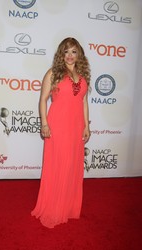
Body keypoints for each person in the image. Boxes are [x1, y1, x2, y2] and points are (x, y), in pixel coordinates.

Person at [31, 37, 91, 228]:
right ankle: (54, 207)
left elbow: (83, 101)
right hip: (58, 125)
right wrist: (45, 124)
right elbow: (43, 100)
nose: (70, 56)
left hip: (76, 127)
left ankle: (68, 206)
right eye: (66, 51)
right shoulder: (53, 73)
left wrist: (86, 126)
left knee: (72, 165)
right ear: (61, 54)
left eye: (74, 51)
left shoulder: (82, 76)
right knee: (59, 164)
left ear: (79, 53)